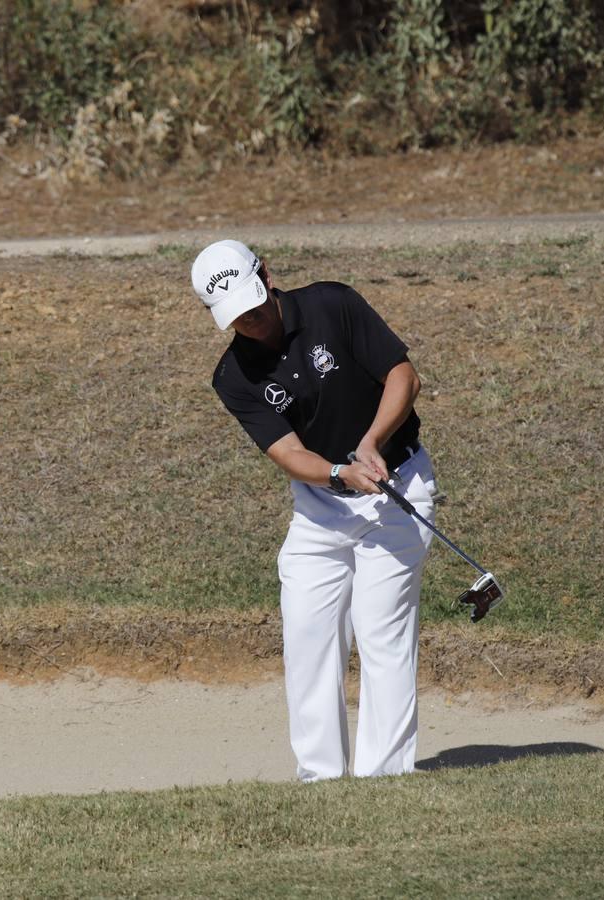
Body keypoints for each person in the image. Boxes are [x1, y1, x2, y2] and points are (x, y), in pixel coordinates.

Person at [191, 239, 436, 781]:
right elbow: (289, 453)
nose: (251, 321)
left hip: (396, 487)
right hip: (322, 506)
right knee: (307, 635)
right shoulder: (233, 377)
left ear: (266, 275)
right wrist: (339, 473)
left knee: (380, 630)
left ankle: (384, 778)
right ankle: (321, 779)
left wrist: (371, 441)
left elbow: (404, 377)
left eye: (254, 305)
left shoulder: (332, 304)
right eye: (236, 316)